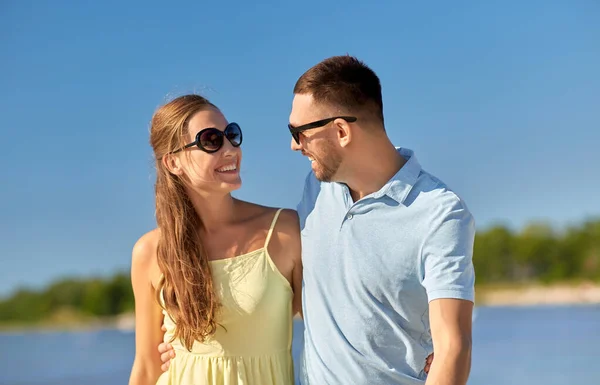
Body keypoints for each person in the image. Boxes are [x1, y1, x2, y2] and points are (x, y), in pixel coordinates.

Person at [160, 54, 467, 384]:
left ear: (341, 131)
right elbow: (280, 295)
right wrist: (187, 346)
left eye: (299, 131)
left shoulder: (439, 213)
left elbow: (453, 348)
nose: (294, 146)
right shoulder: (318, 192)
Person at [128, 94, 303, 385]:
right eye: (211, 140)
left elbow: (332, 329)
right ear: (173, 162)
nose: (231, 149)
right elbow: (147, 368)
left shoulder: (284, 231)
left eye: (232, 135)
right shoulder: (151, 251)